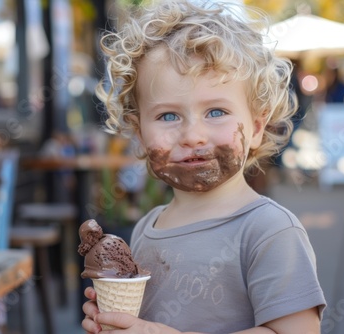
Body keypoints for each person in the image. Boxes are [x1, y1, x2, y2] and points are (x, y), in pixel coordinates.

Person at [82, 0, 326, 333]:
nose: (193, 135)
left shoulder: (269, 231)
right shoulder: (144, 231)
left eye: (215, 112)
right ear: (139, 134)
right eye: (168, 116)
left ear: (255, 128)